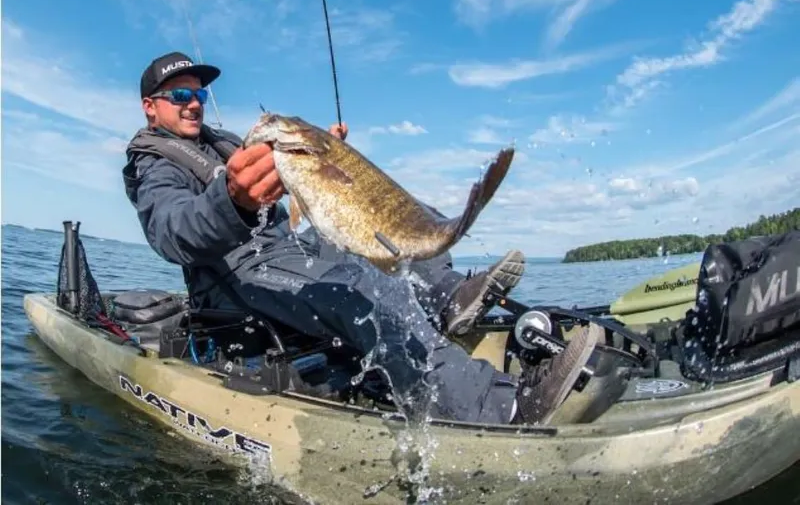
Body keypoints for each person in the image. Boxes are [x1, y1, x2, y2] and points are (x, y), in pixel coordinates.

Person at [122, 51, 600, 426]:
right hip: (237, 272)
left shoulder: (223, 140)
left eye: (198, 96)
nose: (192, 104)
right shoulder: (153, 163)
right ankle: (502, 409)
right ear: (150, 108)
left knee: (393, 228)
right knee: (361, 289)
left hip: (288, 247)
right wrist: (231, 199)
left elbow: (289, 180)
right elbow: (172, 231)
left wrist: (326, 160)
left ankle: (451, 297)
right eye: (179, 96)